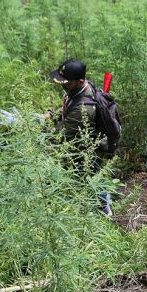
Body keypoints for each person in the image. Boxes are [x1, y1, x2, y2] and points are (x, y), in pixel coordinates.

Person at [46, 59, 114, 215]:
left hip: (89, 149)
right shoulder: (79, 89)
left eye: (66, 83)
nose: (62, 85)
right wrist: (50, 115)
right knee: (91, 176)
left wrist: (29, 126)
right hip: (82, 142)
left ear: (80, 81)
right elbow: (69, 107)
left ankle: (104, 211)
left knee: (92, 177)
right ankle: (98, 204)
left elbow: (59, 134)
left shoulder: (85, 108)